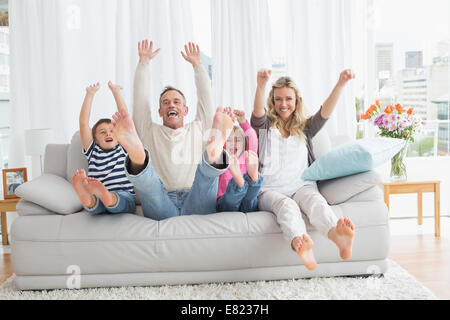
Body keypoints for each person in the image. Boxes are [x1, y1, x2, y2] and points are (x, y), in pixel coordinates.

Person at [251, 68, 356, 270]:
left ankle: (337, 235)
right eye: (278, 99)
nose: (283, 104)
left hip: (301, 186)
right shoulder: (264, 126)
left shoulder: (305, 128)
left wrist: (341, 84)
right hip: (269, 190)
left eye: (288, 99)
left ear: (297, 101)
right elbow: (257, 113)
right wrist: (262, 85)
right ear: (272, 102)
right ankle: (300, 243)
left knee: (316, 202)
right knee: (287, 208)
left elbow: (324, 112)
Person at [118, 40, 233, 220]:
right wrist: (143, 64)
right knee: (151, 185)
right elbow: (140, 100)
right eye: (165, 102)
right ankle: (138, 158)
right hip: (161, 201)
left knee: (205, 177)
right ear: (160, 111)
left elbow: (205, 98)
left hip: (197, 197)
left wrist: (198, 66)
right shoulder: (149, 131)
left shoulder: (199, 127)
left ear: (185, 110)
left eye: (176, 102)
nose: (171, 104)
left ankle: (215, 149)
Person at [72, 81, 136, 215]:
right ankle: (88, 198)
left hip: (124, 195)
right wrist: (89, 94)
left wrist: (116, 92)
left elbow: (125, 118)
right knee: (94, 202)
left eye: (112, 131)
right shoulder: (93, 150)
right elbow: (83, 123)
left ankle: (107, 197)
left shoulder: (123, 147)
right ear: (94, 139)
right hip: (98, 195)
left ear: (118, 135)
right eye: (102, 132)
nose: (108, 133)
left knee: (119, 200)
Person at [216, 107, 263, 213]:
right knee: (230, 199)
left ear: (245, 144)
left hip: (247, 202)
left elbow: (252, 138)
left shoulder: (246, 157)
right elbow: (214, 142)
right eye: (228, 140)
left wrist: (242, 121)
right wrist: (222, 124)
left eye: (238, 140)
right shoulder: (220, 158)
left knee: (250, 199)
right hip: (226, 202)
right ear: (222, 143)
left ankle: (253, 178)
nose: (234, 143)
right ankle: (239, 182)